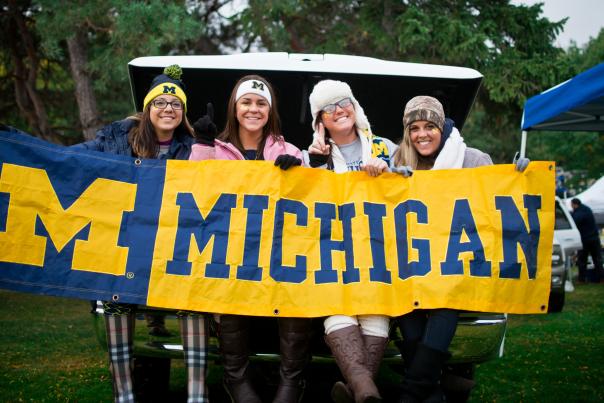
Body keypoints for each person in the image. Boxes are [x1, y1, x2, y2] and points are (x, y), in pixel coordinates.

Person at [73, 65, 209, 403]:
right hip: (125, 245)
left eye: (176, 104)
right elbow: (67, 158)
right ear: (147, 109)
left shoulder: (194, 149)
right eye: (160, 102)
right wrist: (16, 142)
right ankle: (125, 396)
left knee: (192, 306)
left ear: (183, 112)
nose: (168, 109)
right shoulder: (115, 140)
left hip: (173, 248)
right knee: (117, 307)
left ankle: (197, 396)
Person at [189, 74, 312, 403]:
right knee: (230, 285)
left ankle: (292, 382)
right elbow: (193, 192)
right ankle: (237, 379)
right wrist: (202, 145)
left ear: (270, 111)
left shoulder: (290, 149)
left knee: (296, 290)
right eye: (247, 102)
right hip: (230, 251)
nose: (254, 109)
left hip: (278, 253)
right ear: (235, 107)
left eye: (261, 103)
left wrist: (298, 168)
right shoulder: (214, 148)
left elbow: (315, 196)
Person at [306, 79, 398, 403]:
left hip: (379, 253)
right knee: (337, 308)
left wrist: (389, 173)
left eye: (343, 102)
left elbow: (413, 188)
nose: (338, 111)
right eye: (328, 108)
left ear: (354, 106)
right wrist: (315, 167)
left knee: (376, 312)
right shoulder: (313, 156)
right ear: (320, 121)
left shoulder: (385, 146)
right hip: (334, 254)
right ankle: (366, 391)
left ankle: (359, 390)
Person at [571, 198, 603, 283]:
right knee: (597, 259)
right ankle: (601, 278)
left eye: (572, 205)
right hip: (594, 238)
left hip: (585, 239)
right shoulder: (587, 209)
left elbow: (575, 221)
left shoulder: (579, 212)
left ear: (574, 204)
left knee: (582, 260)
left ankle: (582, 279)